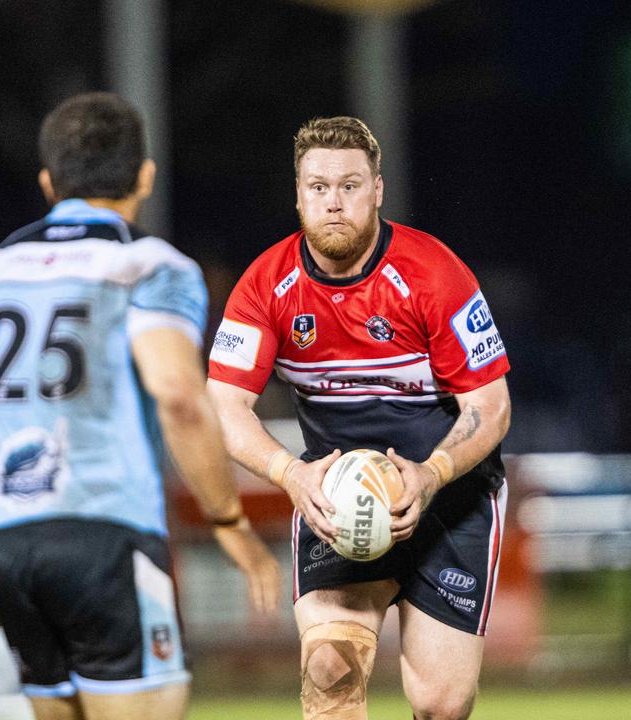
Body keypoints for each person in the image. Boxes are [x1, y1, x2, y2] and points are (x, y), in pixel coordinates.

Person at [0, 92, 278, 720]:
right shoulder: (149, 266)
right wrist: (227, 520)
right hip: (106, 533)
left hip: (13, 547)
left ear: (48, 183)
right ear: (145, 176)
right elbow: (179, 396)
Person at [207, 116, 512, 720]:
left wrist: (430, 475)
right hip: (334, 505)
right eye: (318, 187)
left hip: (450, 500)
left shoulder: (434, 273)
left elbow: (491, 406)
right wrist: (292, 475)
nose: (334, 202)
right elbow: (223, 407)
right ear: (298, 196)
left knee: (441, 705)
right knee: (330, 671)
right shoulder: (267, 286)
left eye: (350, 186)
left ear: (378, 189)